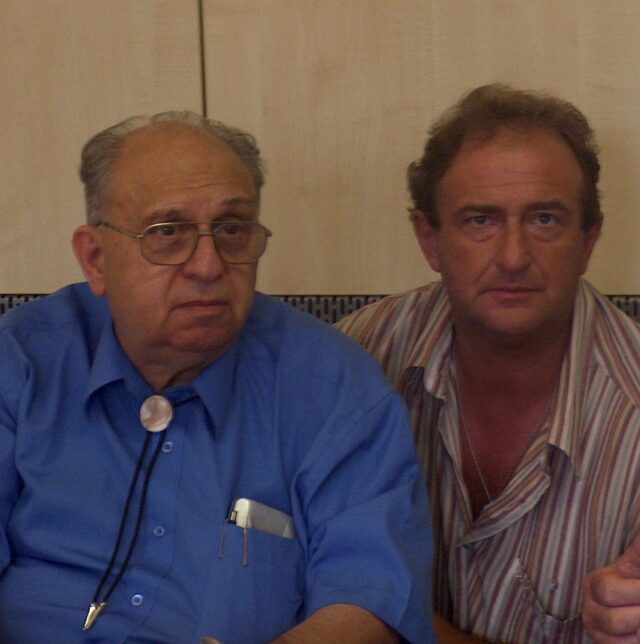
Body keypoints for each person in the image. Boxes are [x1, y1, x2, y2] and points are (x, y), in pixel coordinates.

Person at [0, 112, 435, 643]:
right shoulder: (21, 362)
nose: (207, 266)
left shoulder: (333, 386)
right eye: (167, 233)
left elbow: (368, 604)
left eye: (232, 230)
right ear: (95, 258)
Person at [336, 84, 640, 642]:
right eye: (480, 221)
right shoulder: (352, 358)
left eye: (545, 219)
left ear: (588, 239)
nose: (513, 257)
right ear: (429, 239)